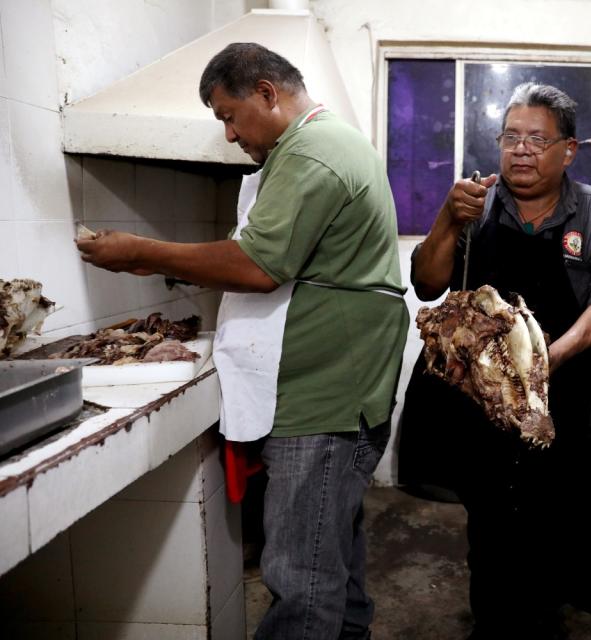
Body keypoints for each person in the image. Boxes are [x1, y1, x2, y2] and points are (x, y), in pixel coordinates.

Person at [76, 43, 409, 640]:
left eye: (229, 117)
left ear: (266, 93)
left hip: (324, 398)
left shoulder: (314, 151)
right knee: (334, 566)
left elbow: (260, 265)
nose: (229, 136)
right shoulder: (315, 146)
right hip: (337, 392)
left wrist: (143, 254)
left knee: (300, 579)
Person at [410, 82, 591, 639]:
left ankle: (543, 624)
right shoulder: (474, 206)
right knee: (489, 529)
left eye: (537, 140)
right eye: (511, 137)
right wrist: (448, 220)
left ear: (568, 150)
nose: (521, 150)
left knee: (555, 530)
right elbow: (427, 282)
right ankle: (490, 625)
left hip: (567, 403)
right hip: (483, 407)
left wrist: (543, 360)